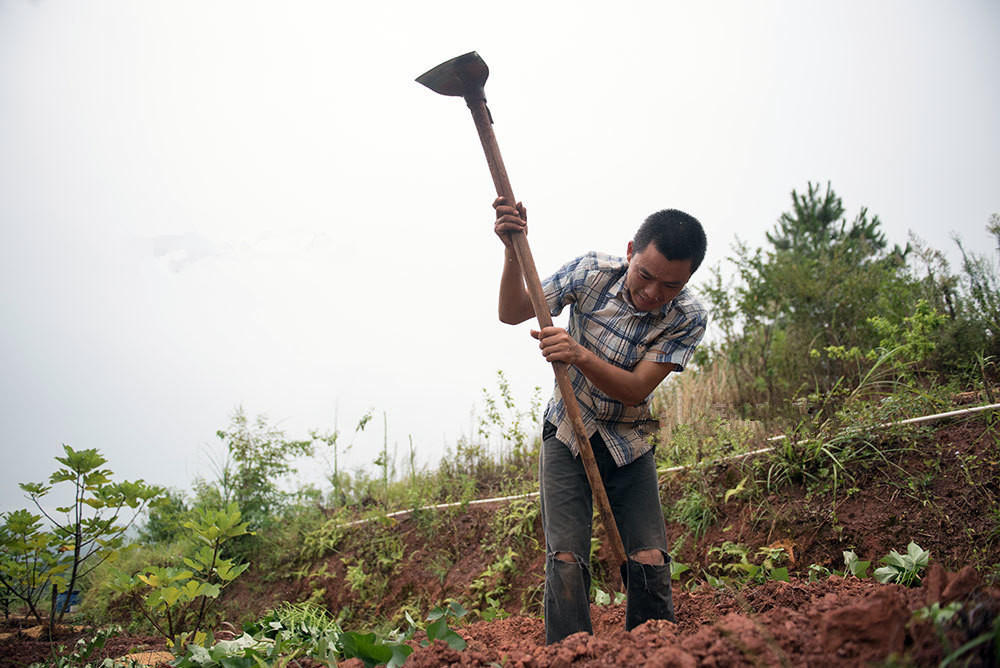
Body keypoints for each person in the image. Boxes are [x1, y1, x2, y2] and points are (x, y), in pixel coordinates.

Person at [493, 196, 708, 644]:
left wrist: (577, 354)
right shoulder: (590, 272)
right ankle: (570, 653)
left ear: (686, 280)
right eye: (645, 275)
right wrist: (514, 249)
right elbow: (513, 311)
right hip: (567, 432)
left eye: (669, 285)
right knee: (568, 558)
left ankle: (653, 650)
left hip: (628, 441)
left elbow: (634, 389)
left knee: (649, 558)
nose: (652, 292)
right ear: (630, 251)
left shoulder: (688, 317)